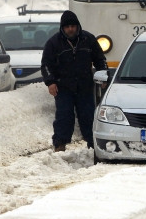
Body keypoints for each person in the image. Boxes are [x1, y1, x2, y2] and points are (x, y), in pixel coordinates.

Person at [41, 11, 107, 152]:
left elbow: (100, 59)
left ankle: (93, 145)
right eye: (67, 27)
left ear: (77, 26)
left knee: (88, 115)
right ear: (62, 28)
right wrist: (50, 82)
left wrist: (104, 76)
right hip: (63, 87)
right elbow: (46, 65)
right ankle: (60, 145)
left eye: (73, 26)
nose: (70, 29)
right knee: (64, 116)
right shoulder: (53, 43)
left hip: (85, 86)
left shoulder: (88, 39)